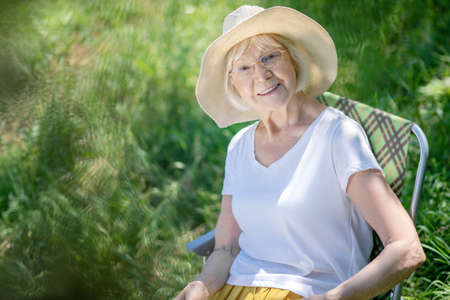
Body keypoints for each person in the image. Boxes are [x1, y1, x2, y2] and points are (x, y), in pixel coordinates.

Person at [175, 5, 425, 300]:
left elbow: (407, 248)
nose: (261, 74)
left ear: (293, 58)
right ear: (234, 84)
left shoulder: (338, 137)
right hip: (233, 290)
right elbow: (227, 247)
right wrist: (200, 286)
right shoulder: (240, 146)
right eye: (244, 67)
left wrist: (335, 298)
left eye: (269, 56)